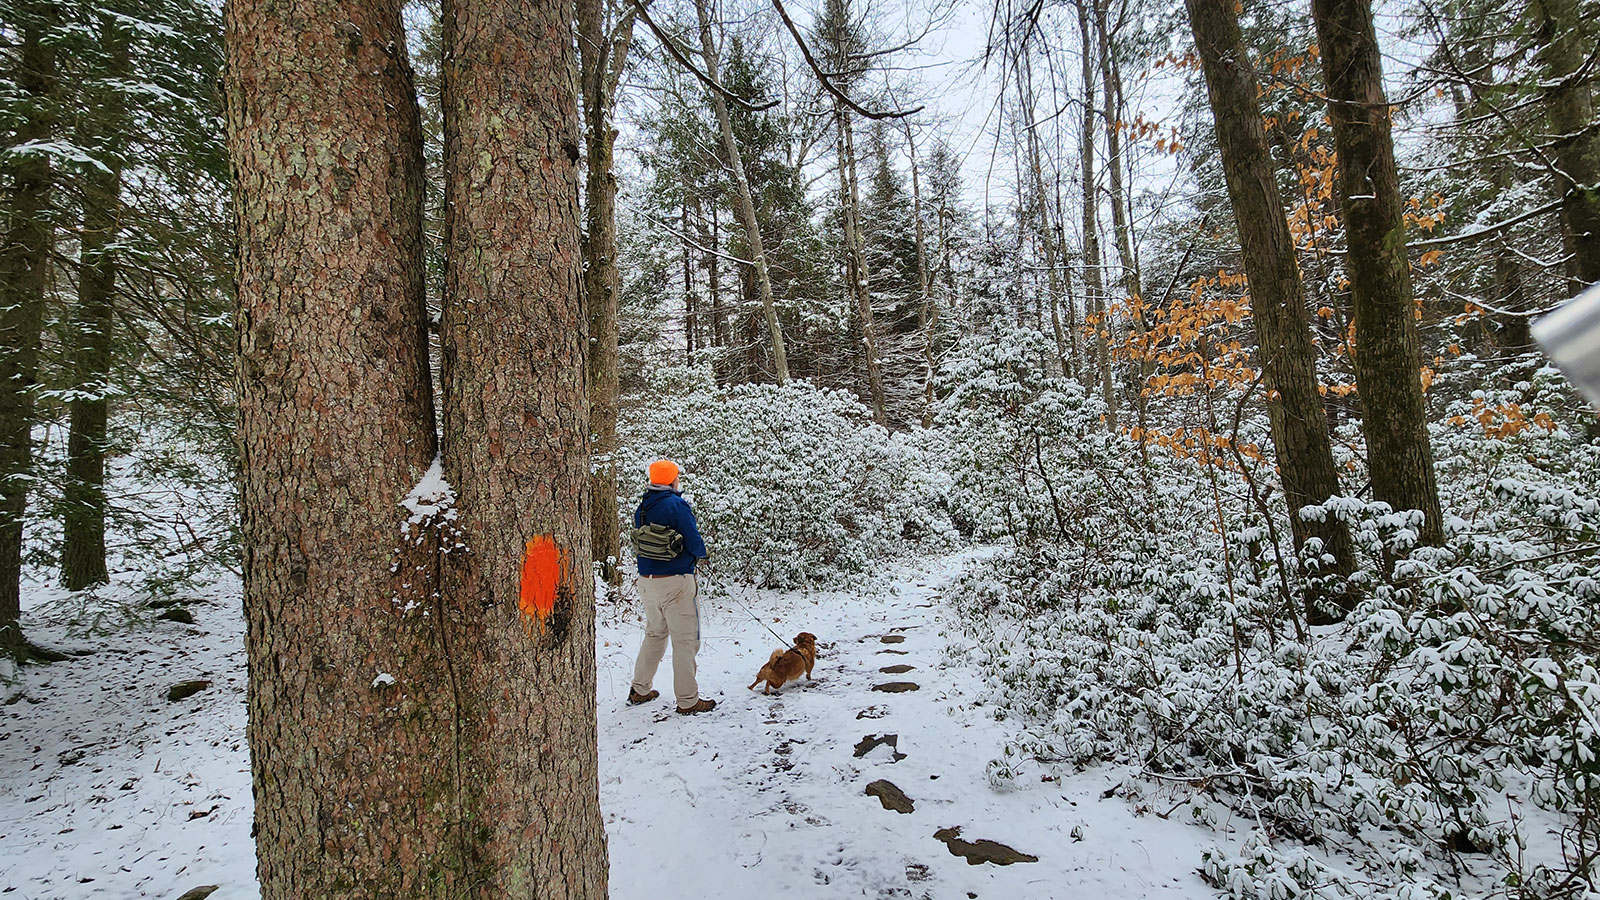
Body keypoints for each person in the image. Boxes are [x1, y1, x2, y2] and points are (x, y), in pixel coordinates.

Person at [628, 459, 715, 714]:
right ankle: (688, 701)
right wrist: (701, 554)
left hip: (647, 582)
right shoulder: (677, 505)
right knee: (686, 641)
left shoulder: (642, 507)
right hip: (676, 582)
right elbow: (694, 541)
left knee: (655, 634)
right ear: (672, 480)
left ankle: (640, 689)